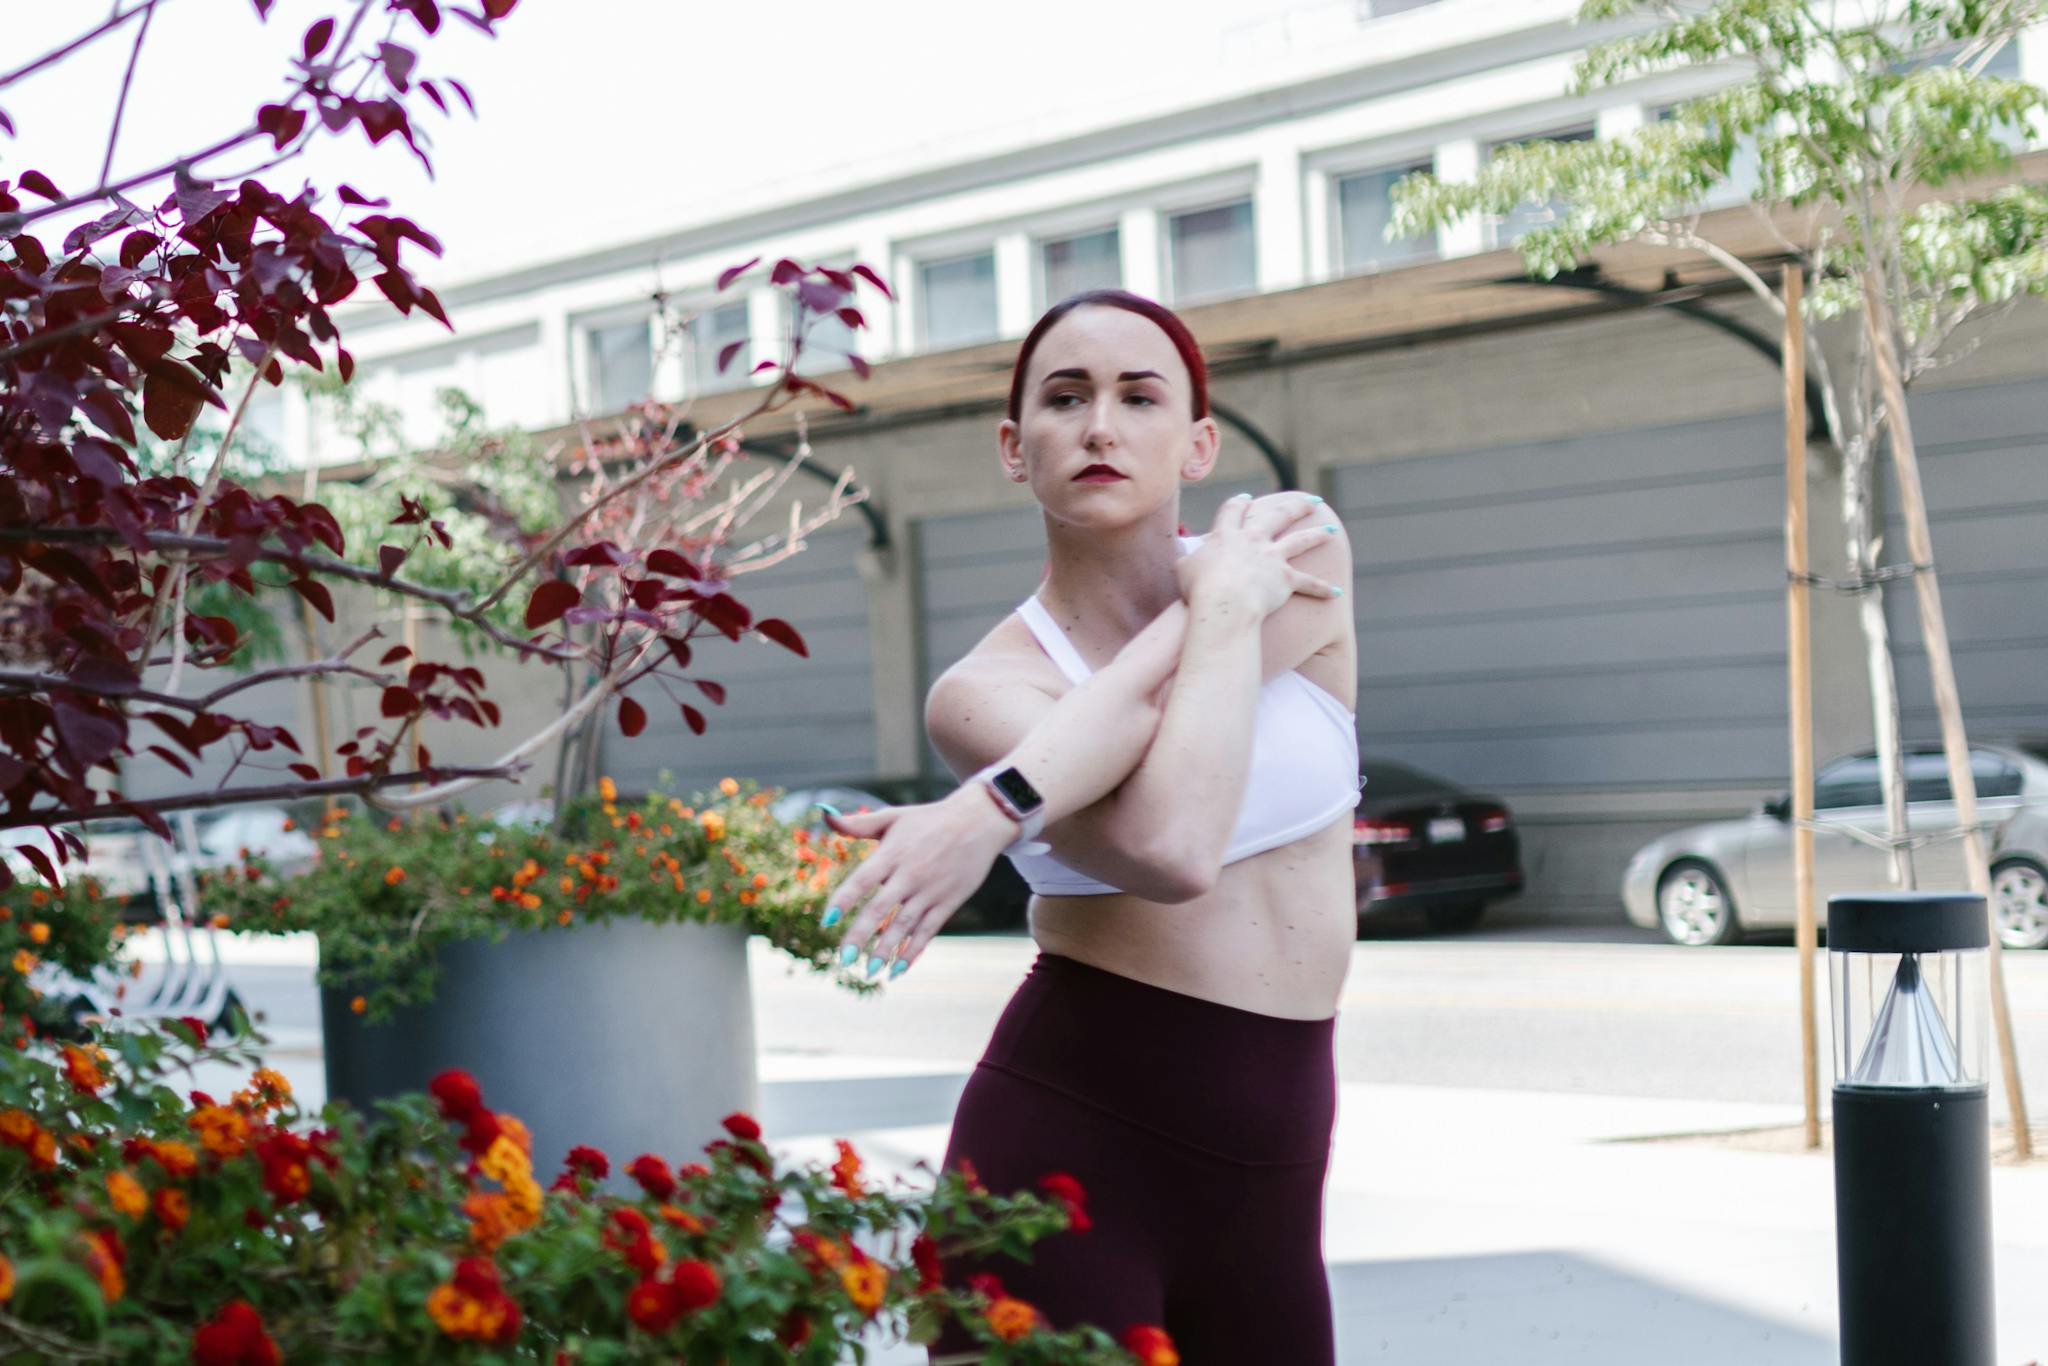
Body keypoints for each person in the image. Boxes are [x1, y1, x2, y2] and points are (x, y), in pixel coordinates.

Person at [818, 288, 1359, 1364]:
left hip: (1278, 1171)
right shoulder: (982, 692)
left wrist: (990, 809)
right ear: (1015, 449)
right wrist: (1216, 603)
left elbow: (1152, 716)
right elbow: (1169, 845)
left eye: (1137, 396)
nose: (1100, 425)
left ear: (1198, 441)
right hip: (1068, 1146)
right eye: (1064, 399)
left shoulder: (1297, 548)